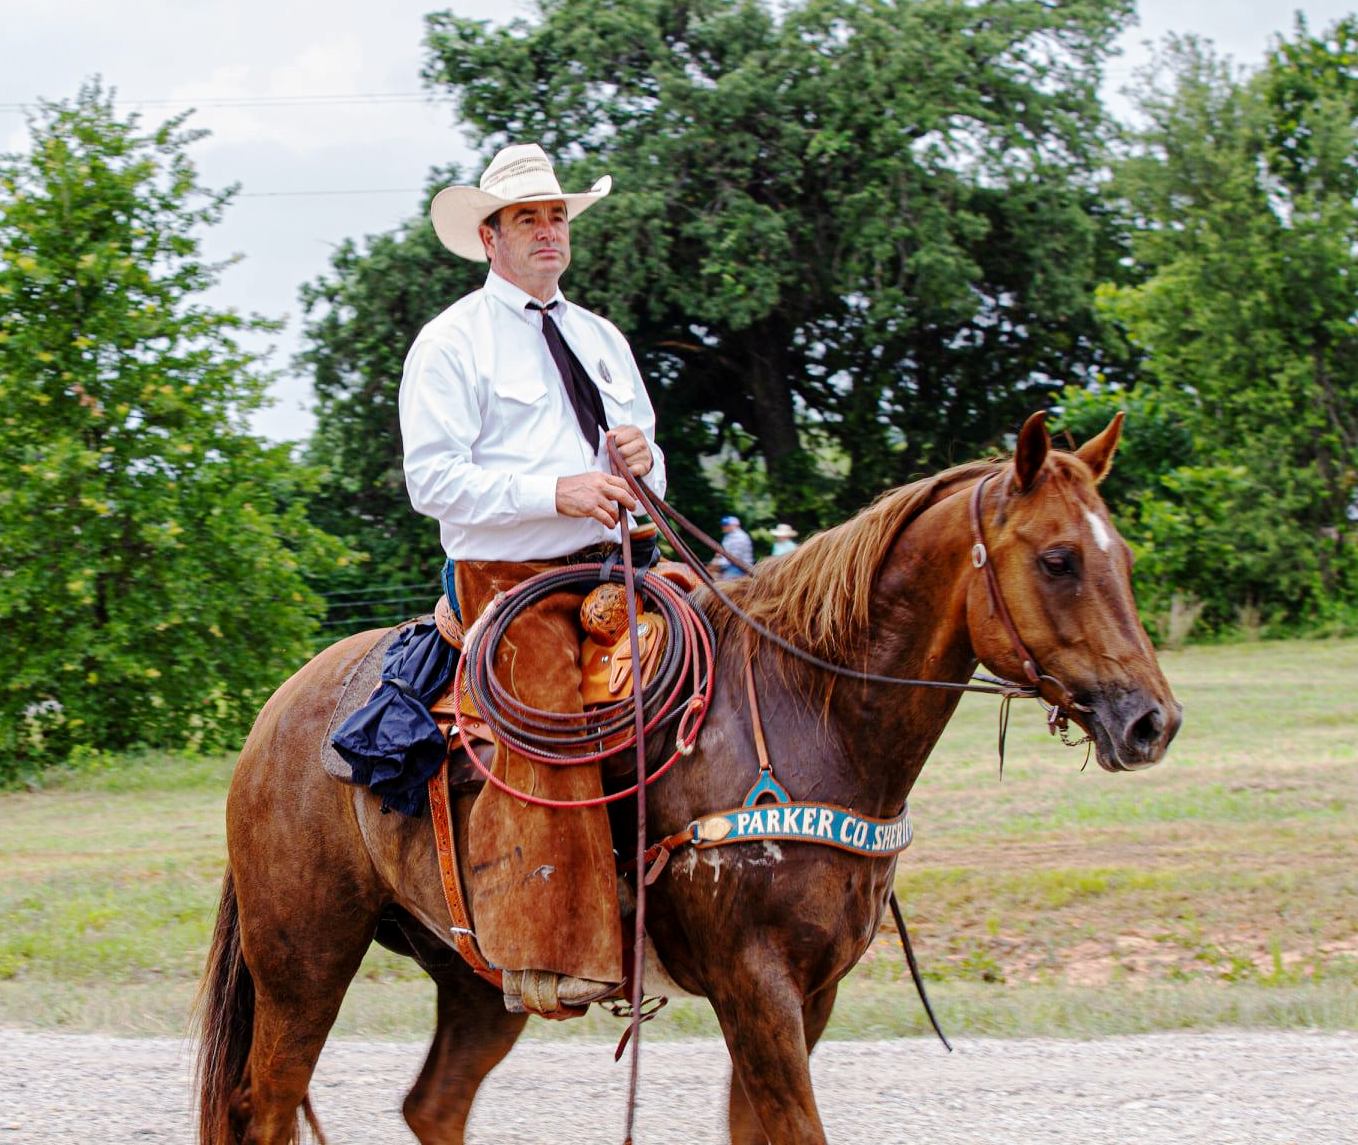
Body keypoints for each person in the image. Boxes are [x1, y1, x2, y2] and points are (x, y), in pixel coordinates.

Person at [398, 142, 665, 1017]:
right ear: (489, 236)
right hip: (505, 574)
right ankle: (555, 947)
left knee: (724, 660)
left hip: (615, 563)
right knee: (545, 699)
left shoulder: (601, 339)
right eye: (527, 218)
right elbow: (432, 481)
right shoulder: (450, 344)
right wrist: (553, 489)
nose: (548, 231)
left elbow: (650, 478)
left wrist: (642, 462)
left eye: (556, 216)